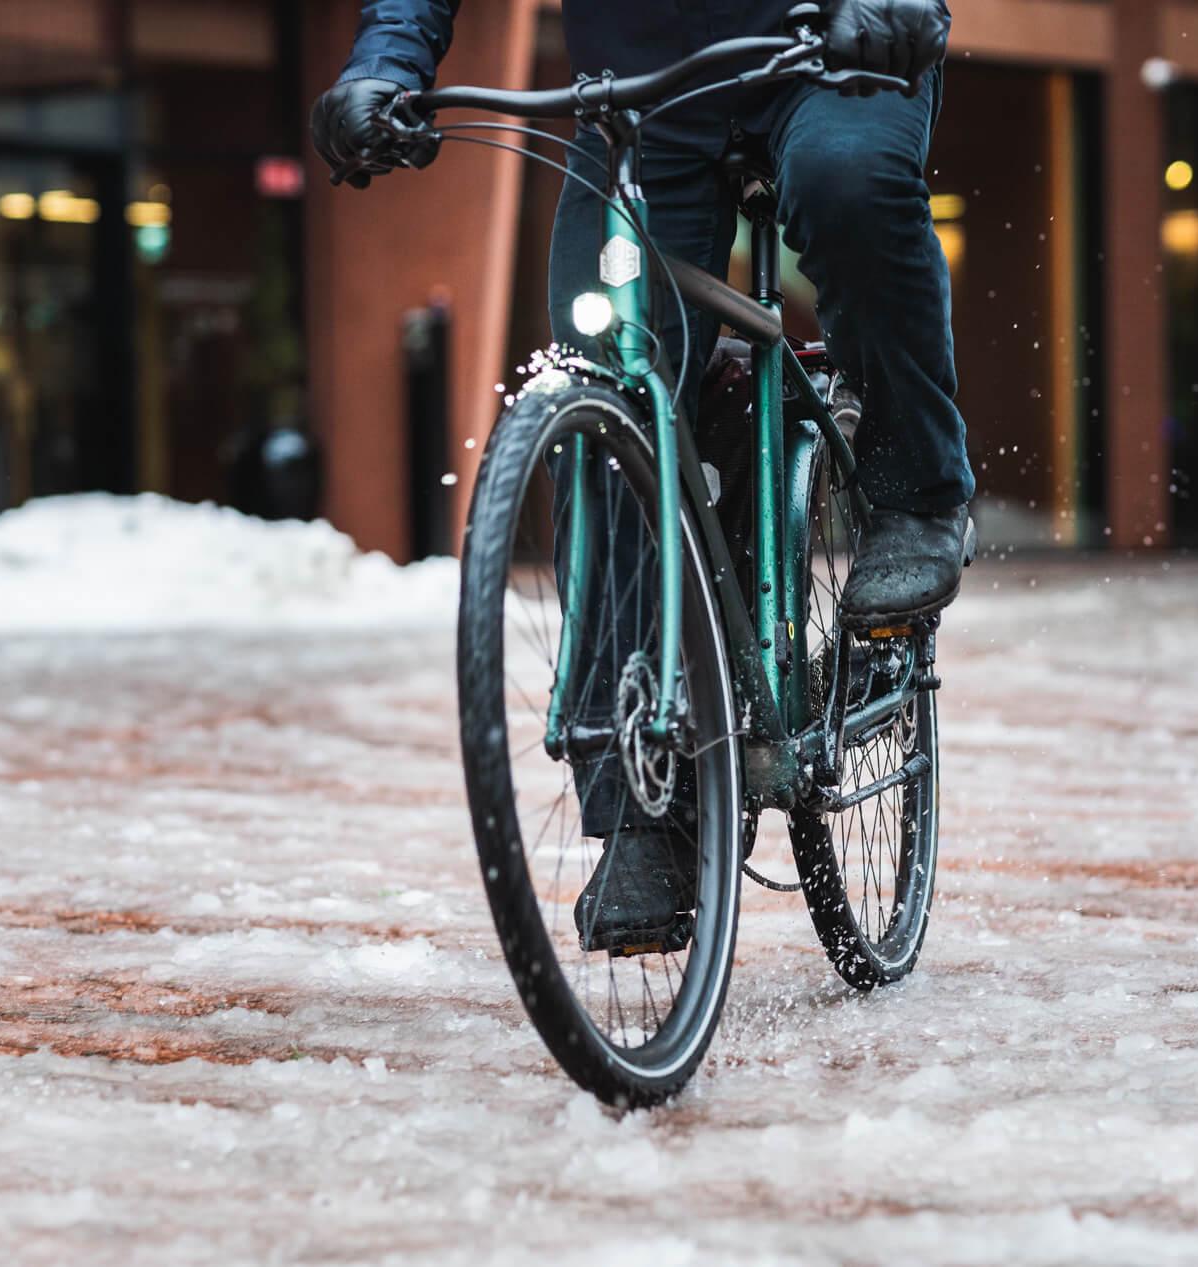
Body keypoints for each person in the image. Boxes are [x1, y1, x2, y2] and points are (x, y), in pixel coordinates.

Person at [312, 1, 975, 950]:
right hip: (644, 95)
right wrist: (385, 63)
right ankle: (645, 811)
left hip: (829, 51)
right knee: (612, 370)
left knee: (848, 185)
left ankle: (918, 496)